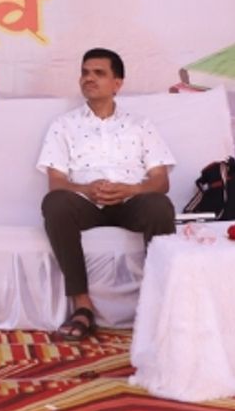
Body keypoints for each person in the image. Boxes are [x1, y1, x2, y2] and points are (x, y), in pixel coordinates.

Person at [37, 47, 175, 342]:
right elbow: (57, 182)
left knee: (159, 206)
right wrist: (86, 189)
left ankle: (159, 303)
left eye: (99, 73)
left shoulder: (140, 125)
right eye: (85, 73)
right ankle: (82, 306)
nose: (89, 78)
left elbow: (160, 180)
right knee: (55, 203)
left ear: (117, 83)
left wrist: (132, 189)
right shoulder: (64, 125)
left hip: (130, 202)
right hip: (86, 203)